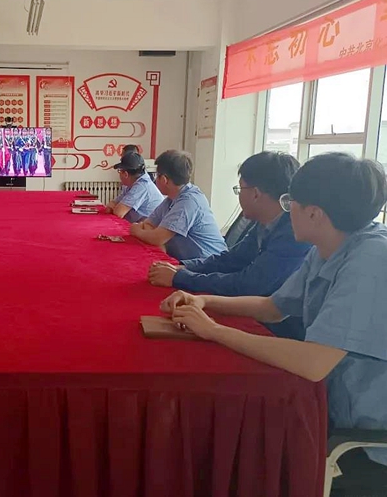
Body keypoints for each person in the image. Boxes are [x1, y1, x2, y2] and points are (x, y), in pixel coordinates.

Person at [161, 153, 387, 484]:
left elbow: (314, 362)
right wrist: (205, 301)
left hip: (362, 443)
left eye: (289, 202)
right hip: (329, 408)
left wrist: (213, 330)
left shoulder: (371, 261)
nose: (286, 210)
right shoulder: (328, 247)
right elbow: (273, 307)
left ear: (314, 213)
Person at [149, 151, 310, 296]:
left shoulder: (293, 233)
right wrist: (183, 267)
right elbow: (232, 259)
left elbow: (249, 284)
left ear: (255, 194)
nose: (239, 195)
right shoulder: (264, 222)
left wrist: (182, 278)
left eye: (240, 189)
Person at [131, 149, 226, 260]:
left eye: (157, 175)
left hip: (208, 264)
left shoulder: (189, 201)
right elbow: (149, 224)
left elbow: (157, 238)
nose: (155, 180)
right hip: (186, 260)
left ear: (164, 179)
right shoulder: (171, 198)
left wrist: (137, 231)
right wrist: (158, 241)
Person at [105, 151, 164, 223]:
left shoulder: (142, 186)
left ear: (126, 174)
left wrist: (116, 207)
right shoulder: (130, 185)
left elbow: (118, 213)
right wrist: (115, 207)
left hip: (150, 228)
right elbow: (110, 206)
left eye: (119, 171)